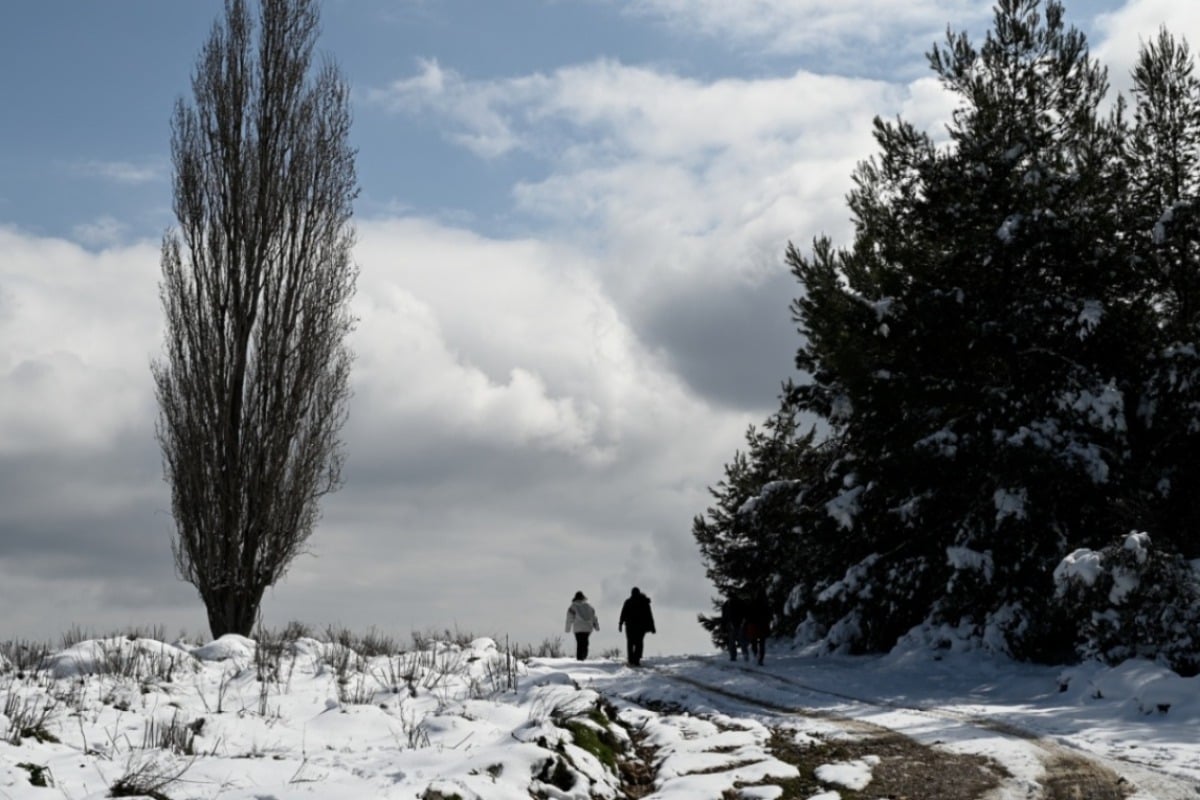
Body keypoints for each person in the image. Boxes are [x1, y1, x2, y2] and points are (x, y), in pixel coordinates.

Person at [618, 587, 656, 666]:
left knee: (631, 643)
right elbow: (649, 615)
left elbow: (623, 614)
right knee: (638, 643)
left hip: (632, 626)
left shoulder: (630, 602)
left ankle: (633, 659)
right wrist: (652, 627)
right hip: (639, 627)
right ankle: (635, 659)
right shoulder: (643, 602)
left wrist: (620, 624)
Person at [565, 590, 600, 660]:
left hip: (578, 629)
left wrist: (567, 629)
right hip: (587, 628)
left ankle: (580, 658)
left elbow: (569, 618)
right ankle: (584, 655)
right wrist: (596, 627)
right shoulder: (590, 606)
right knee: (585, 642)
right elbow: (594, 617)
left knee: (579, 643)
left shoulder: (573, 606)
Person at [744, 593, 770, 666]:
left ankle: (755, 655)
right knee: (762, 644)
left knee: (753, 642)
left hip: (753, 626)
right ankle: (760, 659)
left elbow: (748, 615)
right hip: (763, 626)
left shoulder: (752, 604)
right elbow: (768, 616)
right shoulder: (765, 605)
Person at [721, 595, 749, 661]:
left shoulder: (727, 604)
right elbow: (746, 614)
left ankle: (733, 657)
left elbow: (724, 617)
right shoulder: (742, 602)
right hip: (740, 625)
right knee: (742, 641)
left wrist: (723, 627)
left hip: (731, 625)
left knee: (732, 642)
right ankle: (745, 655)